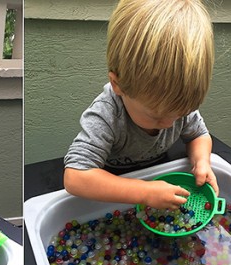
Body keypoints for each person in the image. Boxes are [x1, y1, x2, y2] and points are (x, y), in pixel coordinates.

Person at [63, 0, 218, 209]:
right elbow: (75, 177)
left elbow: (199, 135)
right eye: (156, 116)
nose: (169, 124)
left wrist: (202, 162)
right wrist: (144, 192)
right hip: (113, 184)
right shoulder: (107, 114)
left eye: (181, 113)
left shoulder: (176, 106)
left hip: (159, 170)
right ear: (118, 85)